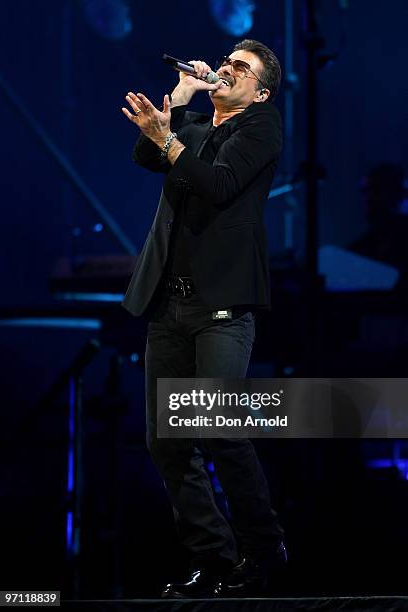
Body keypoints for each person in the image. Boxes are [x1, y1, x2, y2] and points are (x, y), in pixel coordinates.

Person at [121, 39, 287, 598]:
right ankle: (212, 560)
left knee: (219, 430)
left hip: (223, 308)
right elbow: (146, 158)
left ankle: (264, 550)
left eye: (242, 68)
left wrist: (167, 136)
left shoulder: (261, 127)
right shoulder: (193, 125)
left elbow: (215, 184)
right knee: (167, 442)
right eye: (227, 61)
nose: (227, 69)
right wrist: (181, 97)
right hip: (170, 304)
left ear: (259, 92)